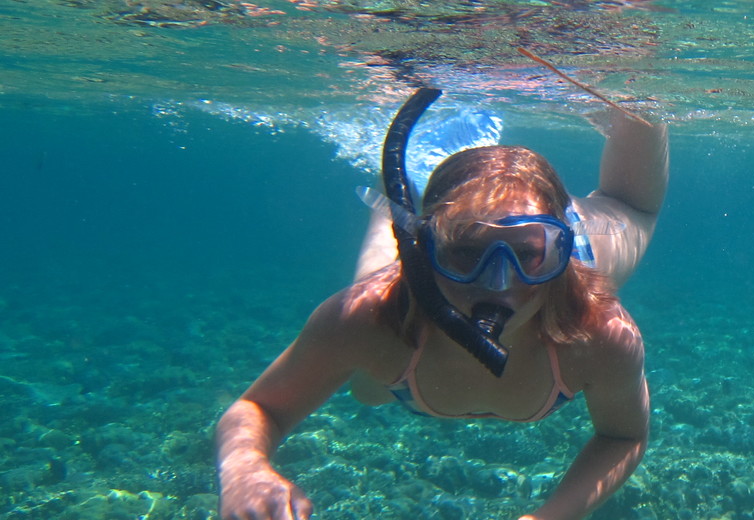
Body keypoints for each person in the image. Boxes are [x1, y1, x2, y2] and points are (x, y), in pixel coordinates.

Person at [215, 89, 669, 520]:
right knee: (368, 377)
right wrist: (244, 470)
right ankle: (406, 195)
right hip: (400, 317)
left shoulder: (598, 330)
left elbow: (624, 435)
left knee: (631, 207)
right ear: (423, 250)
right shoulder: (367, 317)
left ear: (559, 251)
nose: (499, 283)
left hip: (567, 275)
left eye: (528, 253)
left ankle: (625, 68)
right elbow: (257, 409)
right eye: (468, 251)